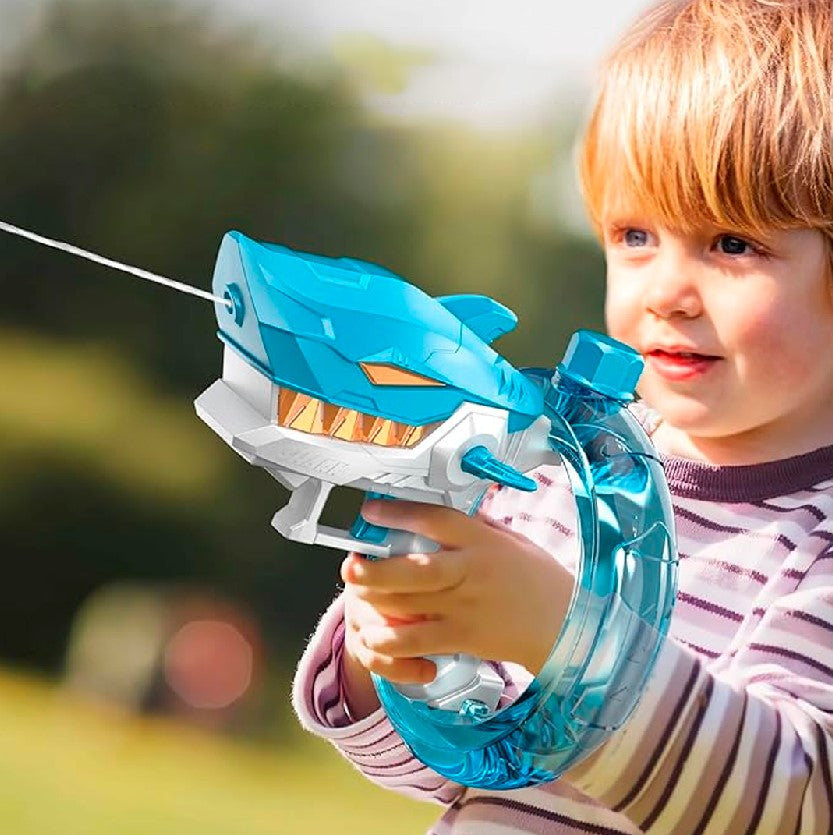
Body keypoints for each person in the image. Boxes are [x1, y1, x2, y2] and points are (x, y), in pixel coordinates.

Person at [292, 0, 833, 831]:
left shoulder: (814, 546)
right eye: (634, 235)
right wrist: (391, 652)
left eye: (732, 243)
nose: (663, 292)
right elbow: (453, 766)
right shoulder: (554, 475)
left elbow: (790, 803)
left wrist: (566, 636)